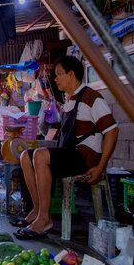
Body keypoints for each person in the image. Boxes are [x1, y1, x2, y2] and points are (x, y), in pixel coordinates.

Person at [14, 56, 118, 239]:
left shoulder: (92, 97)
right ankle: (38, 211)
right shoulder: (69, 100)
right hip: (70, 154)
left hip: (85, 157)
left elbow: (112, 130)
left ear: (71, 74)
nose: (55, 79)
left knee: (39, 155)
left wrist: (100, 167)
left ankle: (45, 219)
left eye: (59, 74)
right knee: (26, 156)